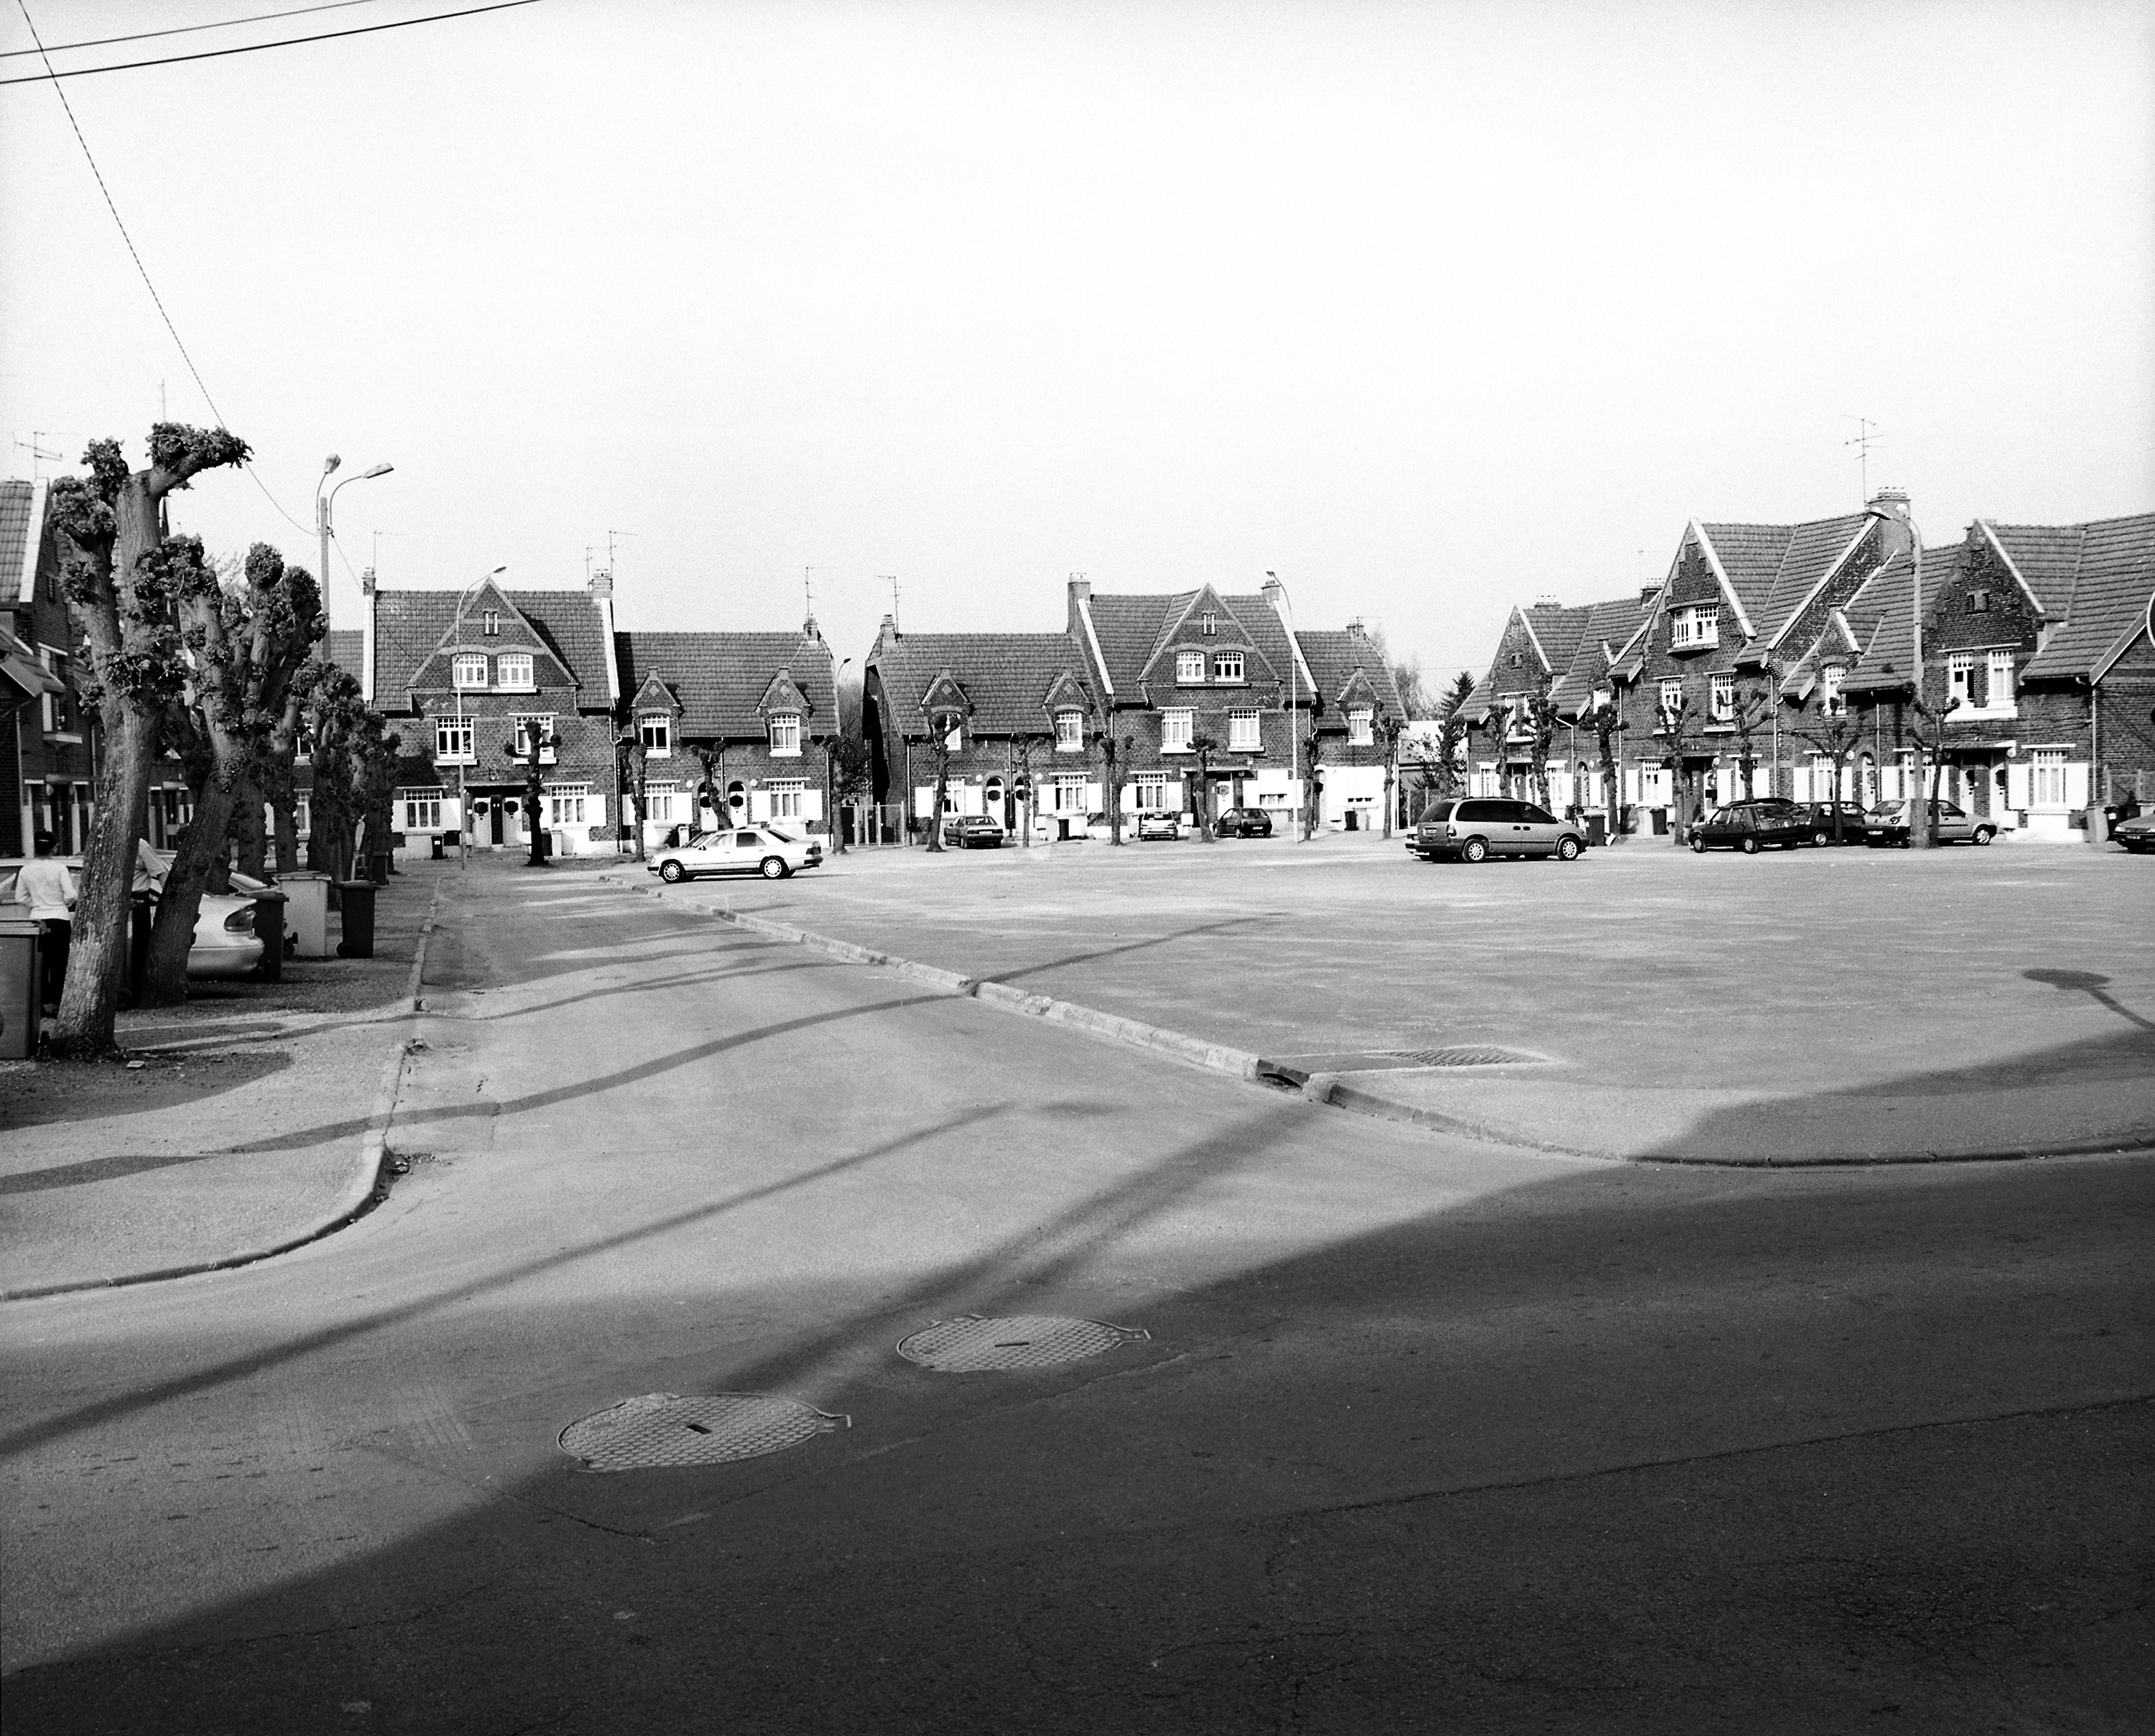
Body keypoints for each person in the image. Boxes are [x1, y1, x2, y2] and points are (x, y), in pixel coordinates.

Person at [14, 835, 76, 1014]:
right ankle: (57, 1004)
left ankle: (40, 1004)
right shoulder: (60, 868)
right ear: (54, 848)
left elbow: (20, 897)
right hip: (59, 917)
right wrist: (63, 902)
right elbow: (70, 894)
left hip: (37, 919)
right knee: (60, 963)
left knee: (40, 963)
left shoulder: (26, 870)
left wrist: (35, 904)